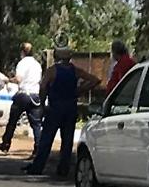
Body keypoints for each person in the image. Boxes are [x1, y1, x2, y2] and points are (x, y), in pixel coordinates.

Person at [25, 46, 101, 176]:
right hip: (70, 107)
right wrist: (79, 91)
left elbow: (43, 87)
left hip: (55, 108)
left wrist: (42, 104)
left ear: (56, 57)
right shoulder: (75, 71)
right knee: (67, 140)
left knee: (47, 138)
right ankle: (63, 168)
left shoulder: (52, 71)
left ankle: (38, 167)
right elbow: (95, 80)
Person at [0, 42, 43, 159]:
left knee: (13, 120)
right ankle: (38, 149)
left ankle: (5, 144)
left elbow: (19, 79)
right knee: (36, 124)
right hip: (35, 95)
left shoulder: (22, 63)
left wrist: (8, 80)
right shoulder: (37, 64)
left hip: (23, 94)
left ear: (22, 52)